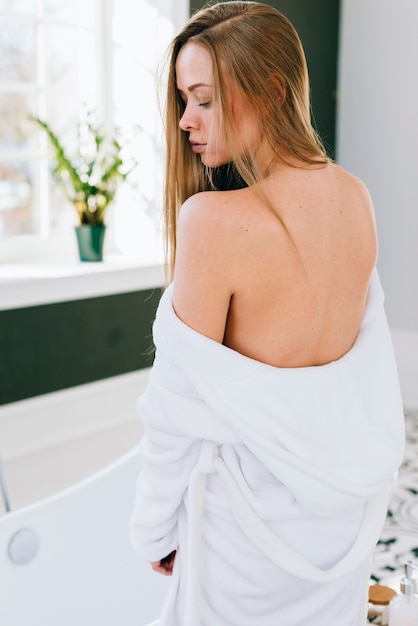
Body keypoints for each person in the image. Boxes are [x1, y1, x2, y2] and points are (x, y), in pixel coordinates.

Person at [130, 2, 405, 624]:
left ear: (273, 90)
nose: (184, 121)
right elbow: (345, 377)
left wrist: (152, 531)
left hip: (247, 536)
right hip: (336, 524)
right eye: (183, 100)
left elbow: (174, 414)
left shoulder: (211, 222)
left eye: (202, 99)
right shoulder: (355, 197)